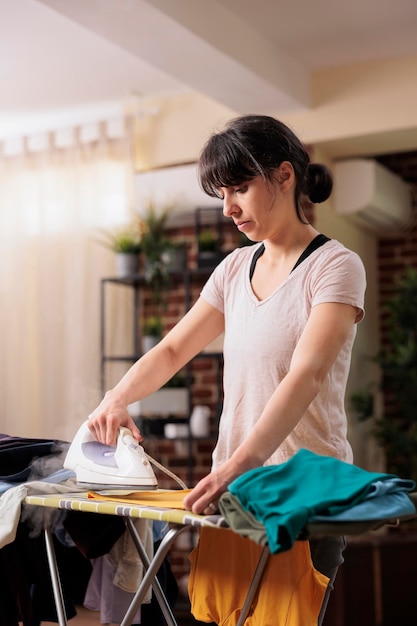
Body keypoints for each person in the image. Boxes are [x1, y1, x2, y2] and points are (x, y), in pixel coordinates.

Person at [88, 114, 366, 623]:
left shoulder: (335, 267)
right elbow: (172, 351)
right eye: (222, 193)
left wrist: (239, 462)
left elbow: (304, 376)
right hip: (235, 495)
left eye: (239, 188)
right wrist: (116, 398)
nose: (227, 208)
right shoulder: (235, 268)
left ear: (285, 176)